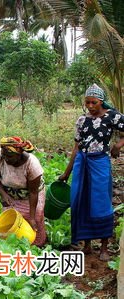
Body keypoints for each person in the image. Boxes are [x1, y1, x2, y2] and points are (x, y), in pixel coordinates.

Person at [59, 83, 124, 261]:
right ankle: (86, 244)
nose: (90, 106)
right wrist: (67, 172)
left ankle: (104, 246)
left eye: (93, 103)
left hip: (100, 162)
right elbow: (76, 147)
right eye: (87, 103)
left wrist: (118, 145)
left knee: (101, 202)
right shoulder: (82, 120)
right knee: (81, 200)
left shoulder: (112, 116)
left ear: (101, 101)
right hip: (82, 162)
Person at [0, 136, 47, 246]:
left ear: (19, 153)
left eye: (9, 156)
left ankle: (38, 245)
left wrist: (32, 217)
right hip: (9, 194)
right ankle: (13, 247)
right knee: (10, 220)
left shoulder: (32, 165)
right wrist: (3, 195)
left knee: (35, 219)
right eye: (3, 155)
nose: (6, 158)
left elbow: (33, 192)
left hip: (31, 195)